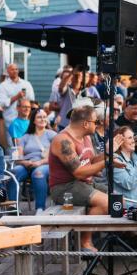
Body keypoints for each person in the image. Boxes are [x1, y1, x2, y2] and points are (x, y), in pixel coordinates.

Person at [49, 104, 122, 251]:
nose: (100, 123)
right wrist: (107, 162)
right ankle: (85, 241)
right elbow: (79, 172)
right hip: (65, 188)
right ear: (85, 123)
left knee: (118, 201)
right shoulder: (63, 140)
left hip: (84, 184)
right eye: (96, 121)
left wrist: (109, 153)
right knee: (106, 203)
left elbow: (91, 161)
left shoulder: (86, 137)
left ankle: (95, 236)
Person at [14, 108, 56, 214]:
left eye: (44, 117)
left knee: (38, 173)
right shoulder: (25, 137)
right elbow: (18, 156)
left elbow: (56, 156)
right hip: (26, 164)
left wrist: (39, 163)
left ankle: (40, 208)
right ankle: (12, 207)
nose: (42, 119)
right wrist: (25, 162)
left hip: (45, 164)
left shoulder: (52, 135)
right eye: (39, 117)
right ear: (33, 120)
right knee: (13, 173)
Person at [0, 62, 34, 135]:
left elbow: (32, 101)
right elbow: (2, 103)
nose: (15, 71)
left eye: (16, 69)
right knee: (12, 144)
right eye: (12, 69)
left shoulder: (26, 84)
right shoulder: (3, 86)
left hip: (25, 119)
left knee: (26, 141)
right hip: (10, 118)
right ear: (7, 71)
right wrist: (16, 97)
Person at [113, 125, 137, 204]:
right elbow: (128, 183)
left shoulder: (134, 158)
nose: (133, 141)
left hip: (134, 207)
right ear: (121, 142)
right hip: (123, 210)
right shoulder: (116, 160)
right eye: (130, 138)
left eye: (133, 137)